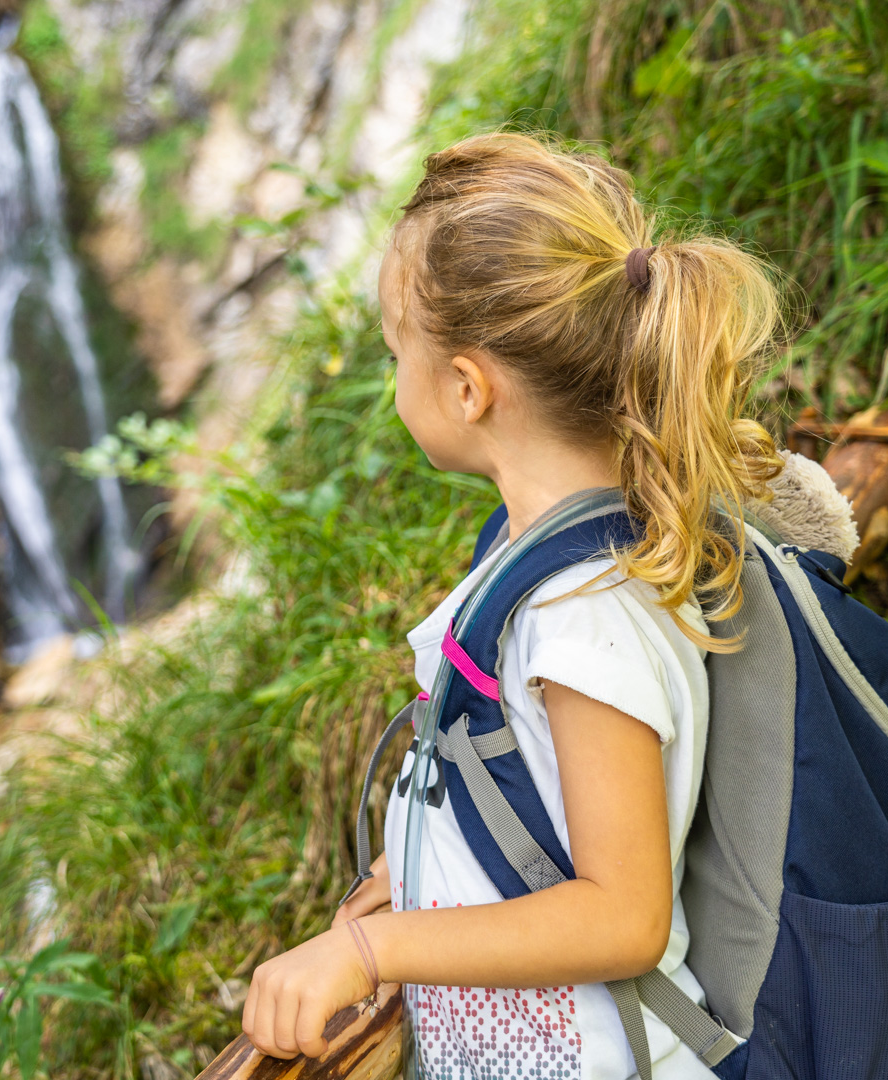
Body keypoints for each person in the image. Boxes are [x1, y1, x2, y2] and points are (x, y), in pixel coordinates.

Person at [240, 131, 785, 1076]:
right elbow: (532, 789)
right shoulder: (552, 547)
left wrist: (371, 952)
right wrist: (407, 876)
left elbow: (624, 913)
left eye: (394, 350)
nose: (392, 375)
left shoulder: (583, 617)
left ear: (465, 388)